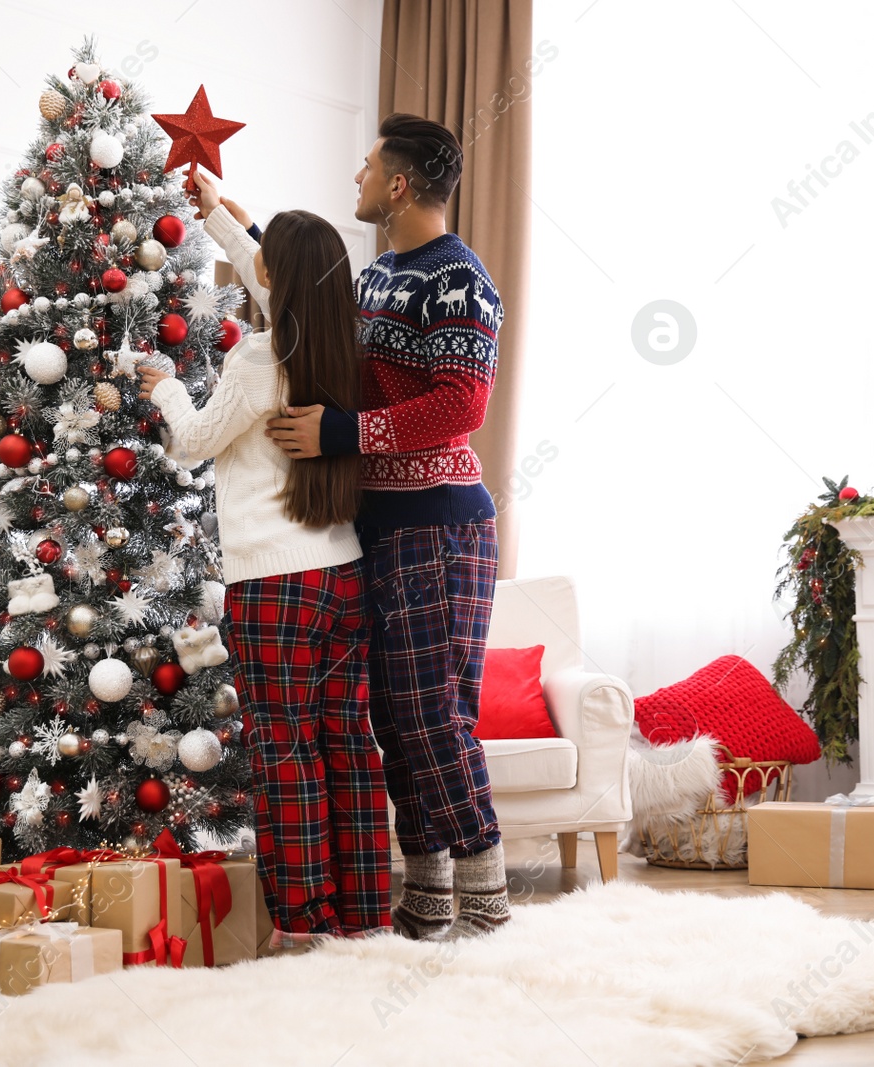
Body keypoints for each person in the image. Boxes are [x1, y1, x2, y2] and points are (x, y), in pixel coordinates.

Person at [261, 114, 508, 939]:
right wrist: (231, 217)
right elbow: (292, 283)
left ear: (398, 184)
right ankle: (428, 897)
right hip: (381, 523)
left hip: (440, 523)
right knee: (392, 714)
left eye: (367, 167)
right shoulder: (373, 278)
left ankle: (486, 897)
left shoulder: (458, 278)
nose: (357, 178)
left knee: (431, 711)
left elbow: (460, 404)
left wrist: (341, 433)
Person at [137, 185, 389, 943]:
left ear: (275, 281)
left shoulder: (257, 356)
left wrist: (168, 388)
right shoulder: (339, 338)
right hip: (344, 572)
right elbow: (271, 272)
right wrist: (221, 209)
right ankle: (364, 916)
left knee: (287, 755)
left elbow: (192, 442)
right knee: (348, 743)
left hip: (275, 584)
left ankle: (305, 922)